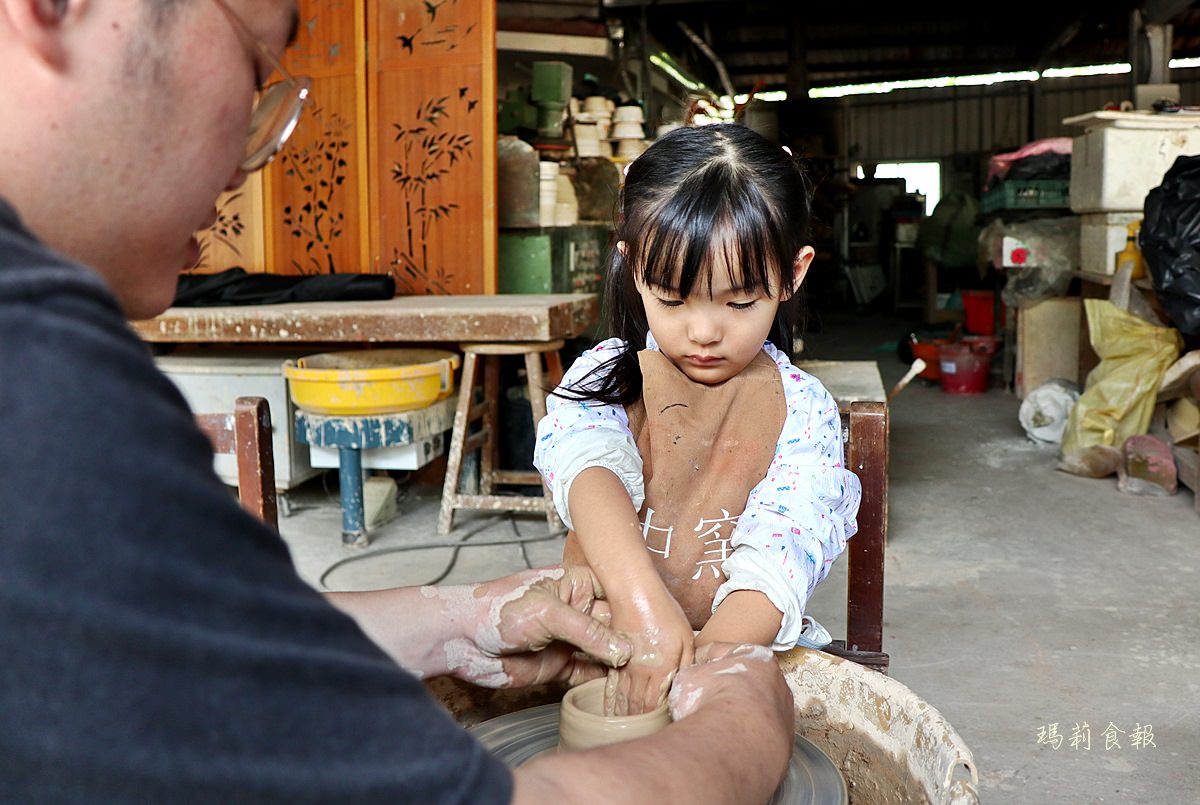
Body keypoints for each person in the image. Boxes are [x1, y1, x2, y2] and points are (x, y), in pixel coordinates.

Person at [0, 0, 795, 802]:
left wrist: (461, 615)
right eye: (252, 70)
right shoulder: (43, 395)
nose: (253, 157)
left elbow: (183, 641)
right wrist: (740, 727)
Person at [534, 124, 863, 715]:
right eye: (671, 298)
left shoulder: (802, 409)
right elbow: (588, 469)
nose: (704, 332)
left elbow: (783, 544)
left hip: (735, 639)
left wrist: (705, 663)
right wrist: (641, 607)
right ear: (633, 269)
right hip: (606, 634)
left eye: (739, 303)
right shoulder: (608, 375)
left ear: (793, 273)